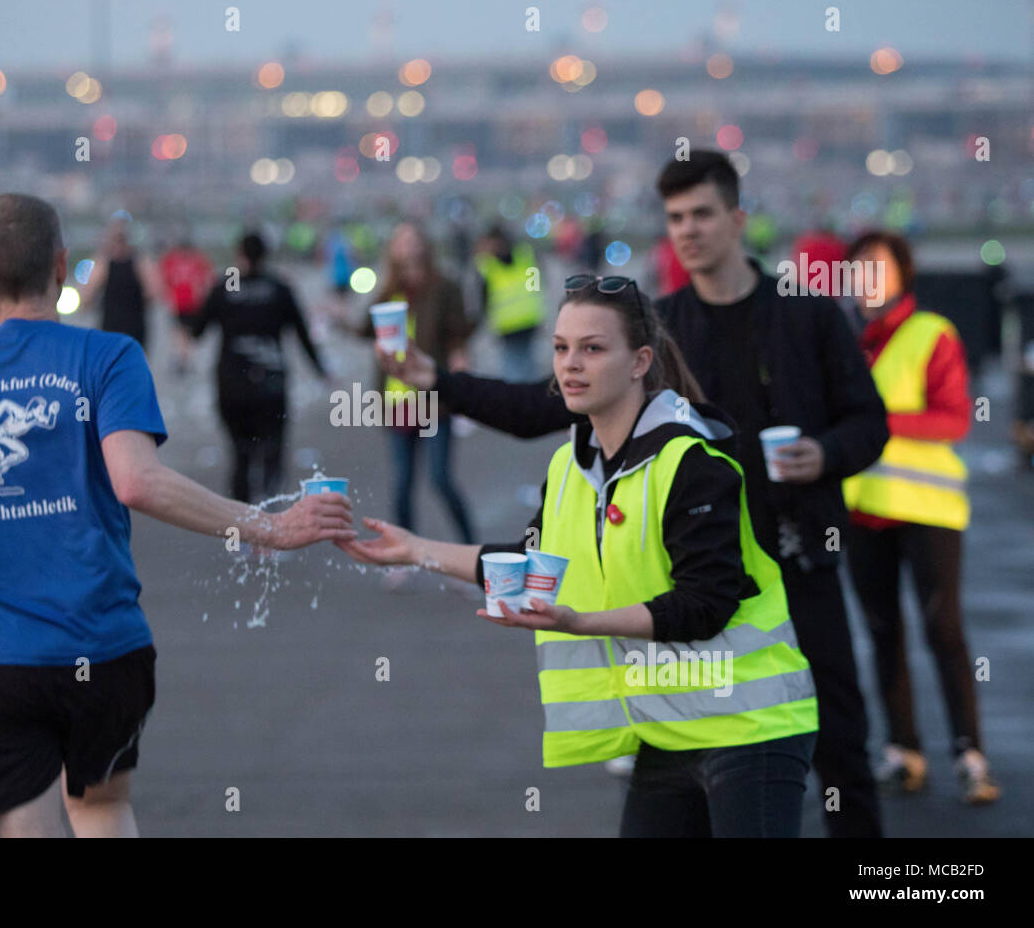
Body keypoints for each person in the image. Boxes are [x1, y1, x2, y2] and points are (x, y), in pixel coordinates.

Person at [376, 151, 889, 838]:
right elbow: (542, 406)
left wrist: (824, 453)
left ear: (737, 219)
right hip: (688, 600)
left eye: (702, 213)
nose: (687, 230)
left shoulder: (803, 313)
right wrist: (438, 386)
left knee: (841, 746)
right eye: (674, 217)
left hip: (792, 555)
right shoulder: (657, 320)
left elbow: (870, 420)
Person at [0, 194, 356, 838]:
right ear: (63, 266)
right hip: (101, 643)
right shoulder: (109, 359)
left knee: (26, 814)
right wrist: (270, 525)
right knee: (102, 805)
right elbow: (137, 481)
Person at [340, 275, 819, 837]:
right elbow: (530, 561)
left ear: (640, 361)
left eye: (592, 348)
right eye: (561, 348)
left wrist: (579, 622)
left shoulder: (693, 461)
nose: (571, 364)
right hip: (669, 728)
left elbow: (704, 605)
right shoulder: (571, 468)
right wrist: (416, 550)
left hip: (749, 724)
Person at [842, 230, 999, 804]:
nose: (865, 281)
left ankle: (969, 754)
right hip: (863, 513)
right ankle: (903, 751)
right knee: (883, 635)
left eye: (876, 268)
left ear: (903, 275)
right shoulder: (849, 343)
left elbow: (954, 419)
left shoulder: (931, 334)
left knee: (945, 632)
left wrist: (875, 420)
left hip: (928, 511)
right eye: (856, 270)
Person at [356, 221, 478, 545]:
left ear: (424, 245)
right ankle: (402, 555)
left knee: (440, 478)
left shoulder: (444, 287)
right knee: (402, 483)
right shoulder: (387, 291)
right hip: (396, 402)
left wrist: (460, 361)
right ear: (392, 250)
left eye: (413, 239)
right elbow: (364, 330)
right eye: (400, 240)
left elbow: (459, 333)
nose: (407, 245)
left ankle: (471, 550)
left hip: (434, 400)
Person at [191, 231, 326, 503]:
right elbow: (302, 334)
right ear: (266, 255)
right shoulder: (279, 287)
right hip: (271, 384)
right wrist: (321, 370)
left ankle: (244, 519)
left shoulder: (224, 286)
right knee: (271, 450)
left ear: (239, 254)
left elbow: (197, 330)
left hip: (231, 384)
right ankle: (270, 509)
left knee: (241, 454)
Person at [474, 226, 547, 383]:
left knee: (514, 369)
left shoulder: (487, 265)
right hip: (525, 320)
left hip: (512, 323)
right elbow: (536, 284)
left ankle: (520, 403)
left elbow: (484, 299)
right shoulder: (525, 255)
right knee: (526, 367)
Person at [82, 217, 161, 349]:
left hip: (118, 324)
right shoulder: (139, 262)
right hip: (129, 324)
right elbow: (152, 292)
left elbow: (87, 294)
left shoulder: (104, 263)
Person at [158, 235, 213, 374]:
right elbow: (208, 279)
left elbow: (163, 280)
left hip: (181, 303)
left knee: (181, 332)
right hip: (189, 303)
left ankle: (183, 358)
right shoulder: (198, 260)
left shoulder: (171, 260)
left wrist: (166, 296)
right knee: (185, 332)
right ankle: (185, 358)